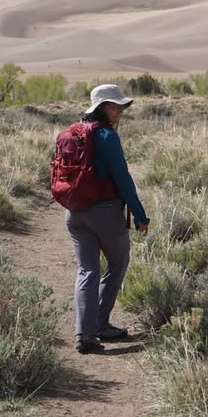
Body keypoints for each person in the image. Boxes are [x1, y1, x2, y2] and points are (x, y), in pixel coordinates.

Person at [66, 83, 149, 354]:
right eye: (115, 106)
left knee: (87, 270)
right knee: (118, 261)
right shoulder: (106, 136)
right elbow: (122, 178)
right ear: (102, 106)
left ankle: (84, 334)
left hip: (75, 211)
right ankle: (99, 325)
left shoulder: (73, 132)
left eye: (121, 106)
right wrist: (139, 214)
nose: (120, 111)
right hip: (105, 211)